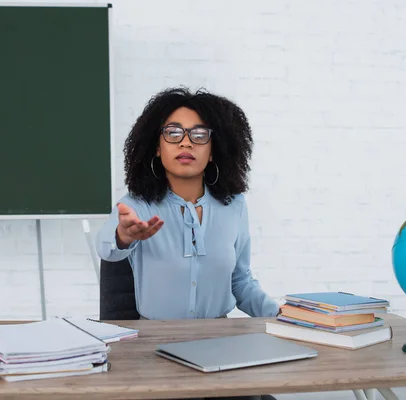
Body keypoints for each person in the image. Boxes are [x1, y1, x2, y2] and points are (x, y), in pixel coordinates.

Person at [96, 87, 278, 400]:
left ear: (214, 148)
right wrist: (124, 236)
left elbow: (241, 282)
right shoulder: (137, 205)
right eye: (173, 133)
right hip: (154, 348)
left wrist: (284, 315)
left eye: (199, 134)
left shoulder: (234, 206)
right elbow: (106, 247)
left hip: (221, 345)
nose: (185, 142)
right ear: (156, 147)